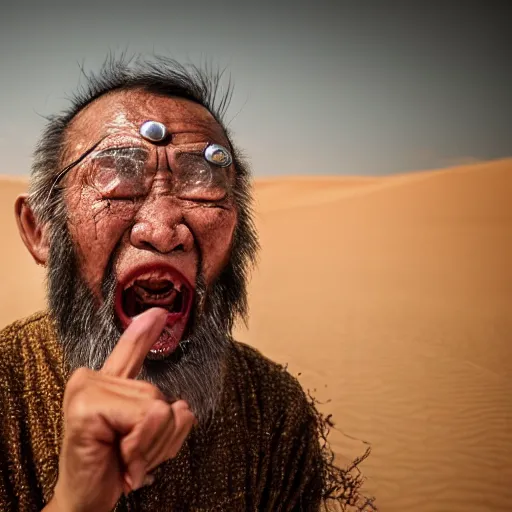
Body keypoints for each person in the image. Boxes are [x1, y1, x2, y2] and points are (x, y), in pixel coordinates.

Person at [0, 55, 373, 511]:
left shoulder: (273, 410)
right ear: (40, 231)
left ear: (238, 231)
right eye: (117, 182)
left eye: (203, 184)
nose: (161, 229)